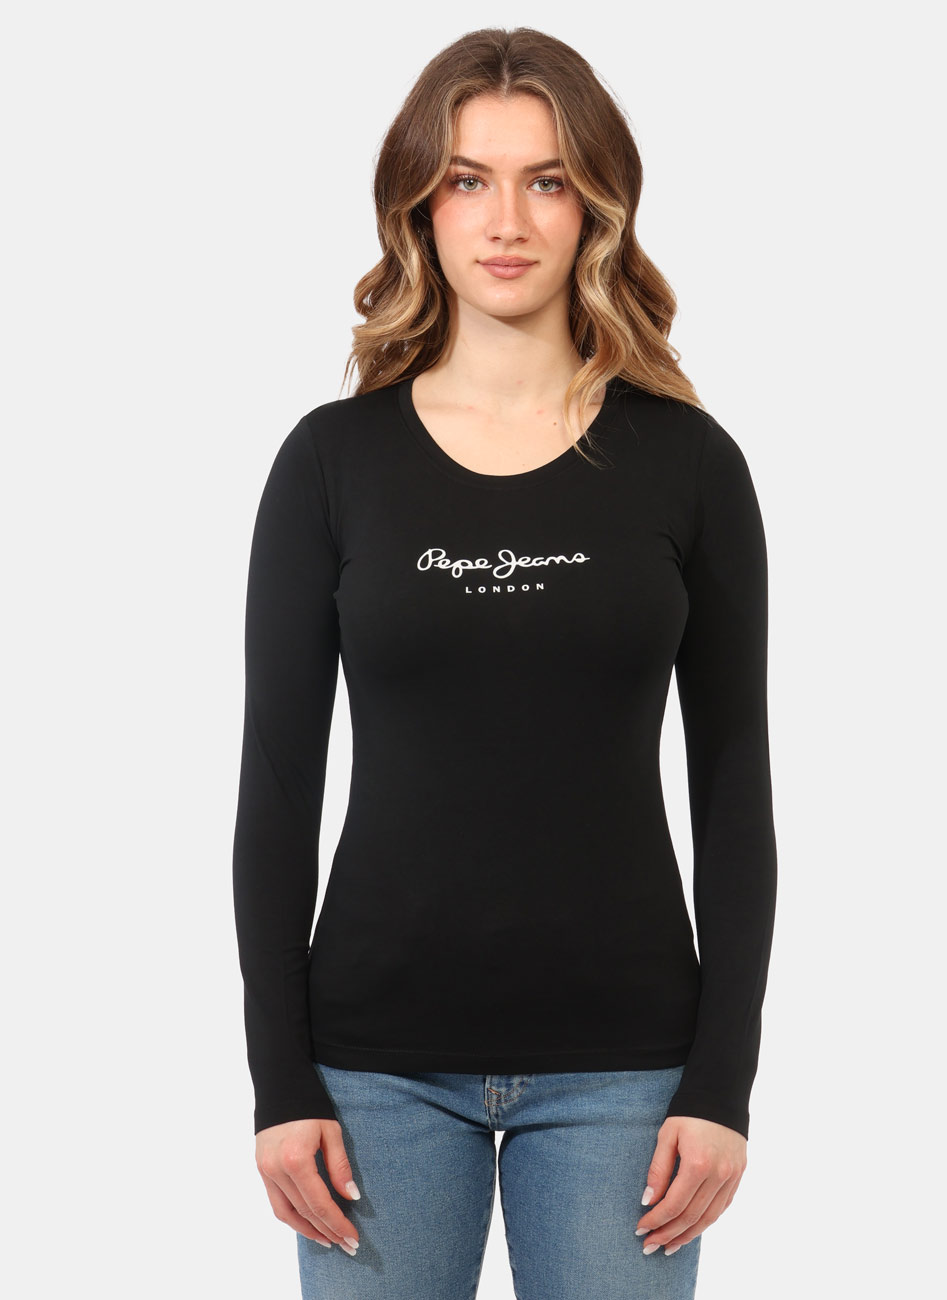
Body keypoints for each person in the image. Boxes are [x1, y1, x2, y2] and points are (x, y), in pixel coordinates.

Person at [232, 25, 778, 1300]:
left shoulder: (690, 465)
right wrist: (279, 1080)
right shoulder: (330, 464)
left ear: (597, 206)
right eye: (468, 179)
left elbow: (735, 788)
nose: (507, 220)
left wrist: (721, 1083)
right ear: (418, 205)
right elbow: (275, 788)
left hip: (627, 1073)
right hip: (369, 1071)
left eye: (547, 180)